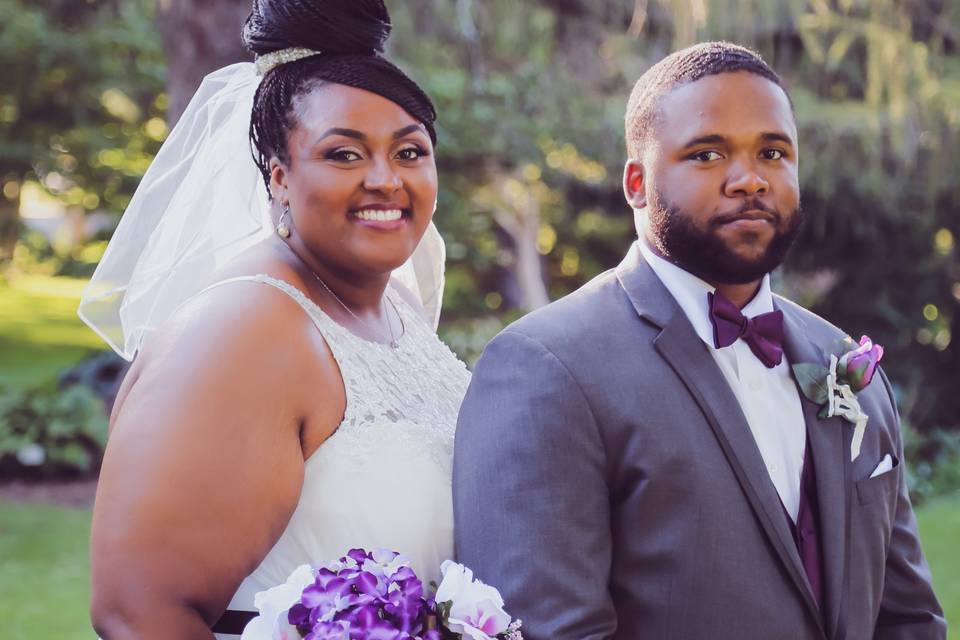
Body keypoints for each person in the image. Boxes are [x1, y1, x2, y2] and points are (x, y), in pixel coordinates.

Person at [453, 42, 946, 640]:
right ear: (637, 183)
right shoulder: (544, 367)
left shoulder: (846, 360)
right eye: (708, 154)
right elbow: (552, 630)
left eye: (773, 152)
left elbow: (910, 618)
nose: (750, 179)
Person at [82, 1, 469, 638]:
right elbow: (138, 612)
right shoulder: (244, 329)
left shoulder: (395, 306)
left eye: (410, 151)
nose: (385, 179)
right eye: (344, 155)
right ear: (280, 177)